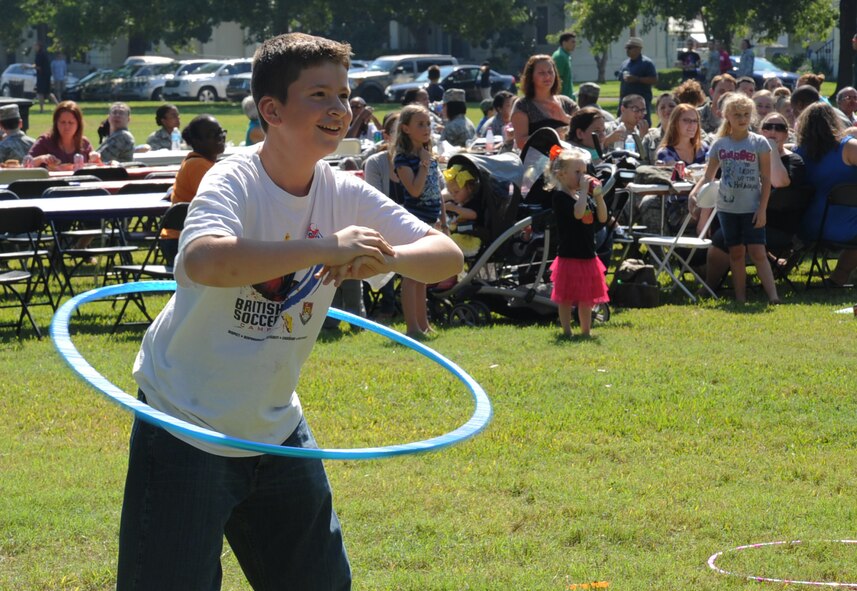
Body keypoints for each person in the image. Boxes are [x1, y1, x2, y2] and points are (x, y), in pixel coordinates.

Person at [119, 32, 463, 590]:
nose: (339, 108)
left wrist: (386, 255)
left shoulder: (343, 191)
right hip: (185, 424)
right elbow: (204, 260)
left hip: (276, 429)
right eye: (320, 95)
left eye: (344, 95)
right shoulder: (232, 180)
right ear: (272, 110)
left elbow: (446, 257)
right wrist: (327, 247)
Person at [704, 111, 810, 290]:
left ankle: (709, 287)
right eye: (768, 127)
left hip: (778, 226)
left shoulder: (793, 160)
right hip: (744, 216)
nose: (773, 131)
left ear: (786, 134)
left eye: (779, 128)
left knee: (723, 237)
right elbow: (716, 177)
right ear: (760, 131)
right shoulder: (745, 155)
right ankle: (709, 283)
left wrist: (770, 150)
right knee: (721, 228)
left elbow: (779, 181)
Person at [690, 93, 779, 304]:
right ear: (727, 116)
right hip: (727, 208)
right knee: (736, 253)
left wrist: (763, 209)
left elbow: (766, 178)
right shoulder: (720, 145)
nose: (742, 118)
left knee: (758, 251)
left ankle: (774, 296)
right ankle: (741, 297)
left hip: (752, 207)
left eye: (747, 114)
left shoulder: (759, 143)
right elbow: (708, 176)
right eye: (737, 114)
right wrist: (694, 194)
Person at [393, 103, 449, 338]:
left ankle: (424, 324)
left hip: (432, 219)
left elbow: (436, 190)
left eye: (428, 124)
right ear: (406, 129)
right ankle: (412, 326)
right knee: (411, 275)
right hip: (415, 220)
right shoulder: (404, 160)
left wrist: (444, 221)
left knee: (423, 276)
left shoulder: (428, 156)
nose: (426, 128)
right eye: (420, 124)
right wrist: (425, 164)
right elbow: (414, 190)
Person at [543, 146, 609, 337]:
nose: (583, 176)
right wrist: (582, 192)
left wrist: (599, 197)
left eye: (584, 172)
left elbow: (602, 218)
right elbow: (578, 213)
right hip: (569, 255)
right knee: (565, 297)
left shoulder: (583, 197)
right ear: (562, 175)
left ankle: (586, 331)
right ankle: (567, 330)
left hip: (588, 255)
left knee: (586, 299)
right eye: (577, 172)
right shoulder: (560, 197)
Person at [793, 102, 857, 287]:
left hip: (808, 226)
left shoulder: (797, 152)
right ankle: (839, 276)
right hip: (847, 226)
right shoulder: (849, 148)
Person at [159, 115, 228, 265]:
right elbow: (221, 202)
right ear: (196, 141)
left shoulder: (203, 163)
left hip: (191, 239)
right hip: (182, 241)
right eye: (212, 134)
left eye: (221, 131)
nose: (220, 137)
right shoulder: (198, 165)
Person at [362, 111, 404, 320]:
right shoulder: (375, 163)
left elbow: (439, 190)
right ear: (386, 135)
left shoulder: (420, 160)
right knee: (383, 241)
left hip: (415, 222)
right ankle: (388, 305)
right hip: (385, 223)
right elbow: (375, 201)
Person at [511, 54, 578, 149]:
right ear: (531, 77)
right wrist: (553, 136)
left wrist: (565, 118)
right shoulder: (523, 105)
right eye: (541, 73)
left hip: (571, 159)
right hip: (537, 162)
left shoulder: (567, 103)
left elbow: (584, 129)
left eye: (550, 72)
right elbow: (521, 143)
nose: (547, 76)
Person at [28, 100, 95, 168]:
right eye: (63, 122)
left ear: (78, 124)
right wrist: (41, 159)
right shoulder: (45, 141)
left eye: (71, 123)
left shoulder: (84, 143)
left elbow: (96, 166)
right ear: (56, 123)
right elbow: (26, 164)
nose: (66, 127)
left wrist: (95, 158)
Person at [617, 37, 658, 124]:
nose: (627, 50)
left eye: (630, 48)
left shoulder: (647, 63)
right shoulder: (624, 63)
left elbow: (654, 79)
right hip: (625, 101)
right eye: (627, 48)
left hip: (641, 102)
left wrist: (637, 79)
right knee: (622, 124)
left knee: (641, 124)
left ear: (639, 49)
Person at [640, 92, 677, 164]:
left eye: (671, 106)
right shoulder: (650, 138)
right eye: (662, 107)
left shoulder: (689, 134)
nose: (667, 110)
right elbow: (641, 165)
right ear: (657, 112)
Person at [552, 32, 577, 100]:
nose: (574, 44)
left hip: (568, 97)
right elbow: (556, 79)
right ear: (564, 42)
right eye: (572, 42)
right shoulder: (560, 56)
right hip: (562, 99)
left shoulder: (566, 55)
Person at [33, 42, 56, 112]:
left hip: (42, 76)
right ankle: (59, 105)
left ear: (39, 46)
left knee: (40, 92)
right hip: (46, 76)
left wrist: (28, 67)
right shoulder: (43, 53)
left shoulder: (40, 54)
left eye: (35, 46)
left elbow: (39, 67)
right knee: (48, 93)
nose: (34, 47)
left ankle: (42, 109)